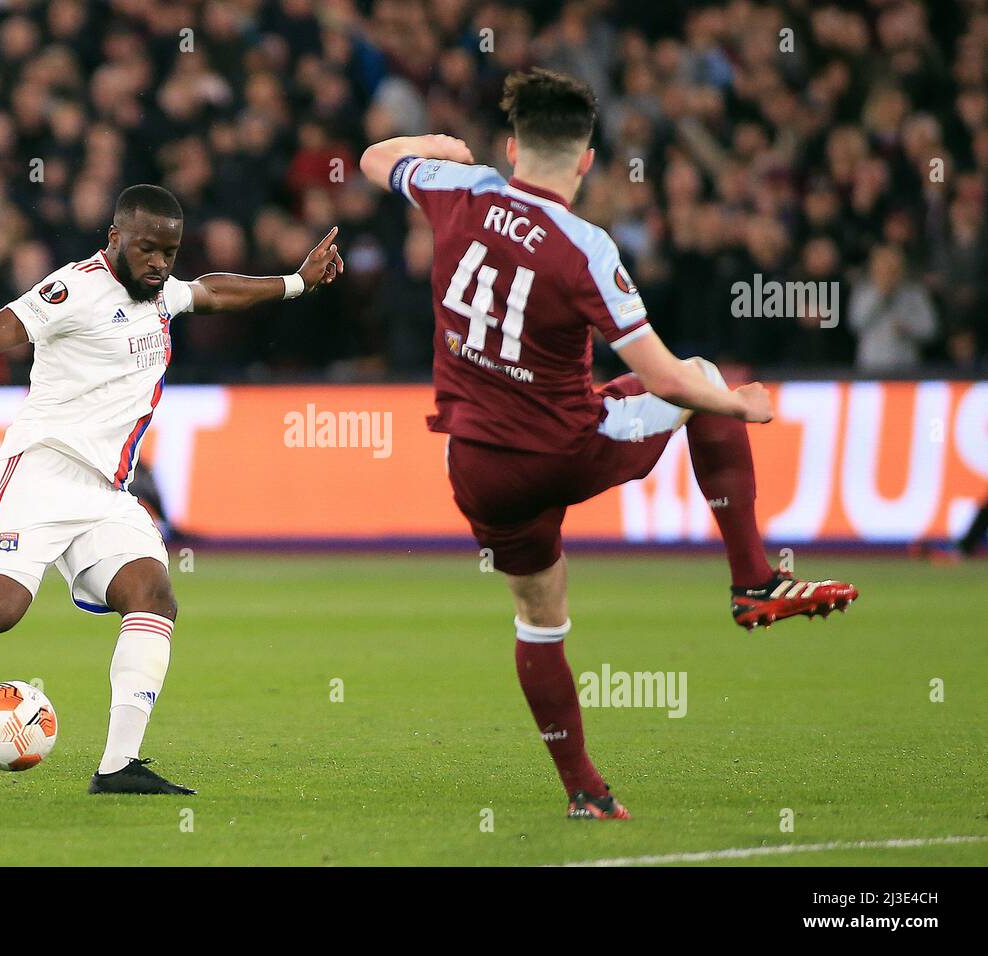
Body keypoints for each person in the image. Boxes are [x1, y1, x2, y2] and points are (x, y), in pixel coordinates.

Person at [360, 69, 858, 821]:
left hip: (476, 465)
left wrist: (436, 144)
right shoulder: (585, 246)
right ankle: (753, 579)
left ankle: (584, 791)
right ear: (588, 160)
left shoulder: (456, 190)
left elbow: (373, 159)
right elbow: (664, 377)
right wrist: (740, 405)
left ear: (511, 144)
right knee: (703, 375)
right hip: (569, 446)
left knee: (539, 616)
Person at [0, 185, 343, 795]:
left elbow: (212, 291)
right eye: (147, 249)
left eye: (168, 253)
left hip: (105, 493)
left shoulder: (160, 294)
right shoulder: (73, 289)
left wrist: (295, 283)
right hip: (41, 472)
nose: (158, 263)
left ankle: (119, 766)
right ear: (115, 240)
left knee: (152, 595)